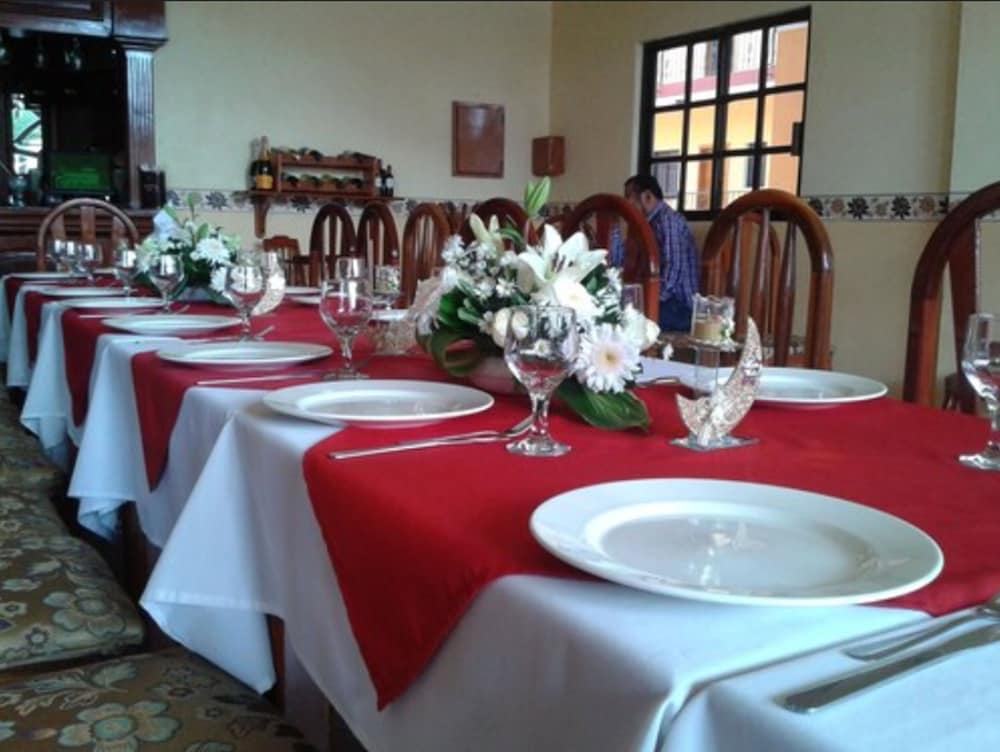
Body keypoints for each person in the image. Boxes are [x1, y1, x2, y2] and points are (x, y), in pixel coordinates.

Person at [610, 175, 699, 332]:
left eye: (628, 197)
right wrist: (614, 226)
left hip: (678, 306)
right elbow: (618, 264)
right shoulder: (641, 226)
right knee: (610, 314)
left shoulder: (668, 220)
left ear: (647, 197)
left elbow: (674, 272)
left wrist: (646, 303)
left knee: (626, 321)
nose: (625, 203)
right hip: (656, 300)